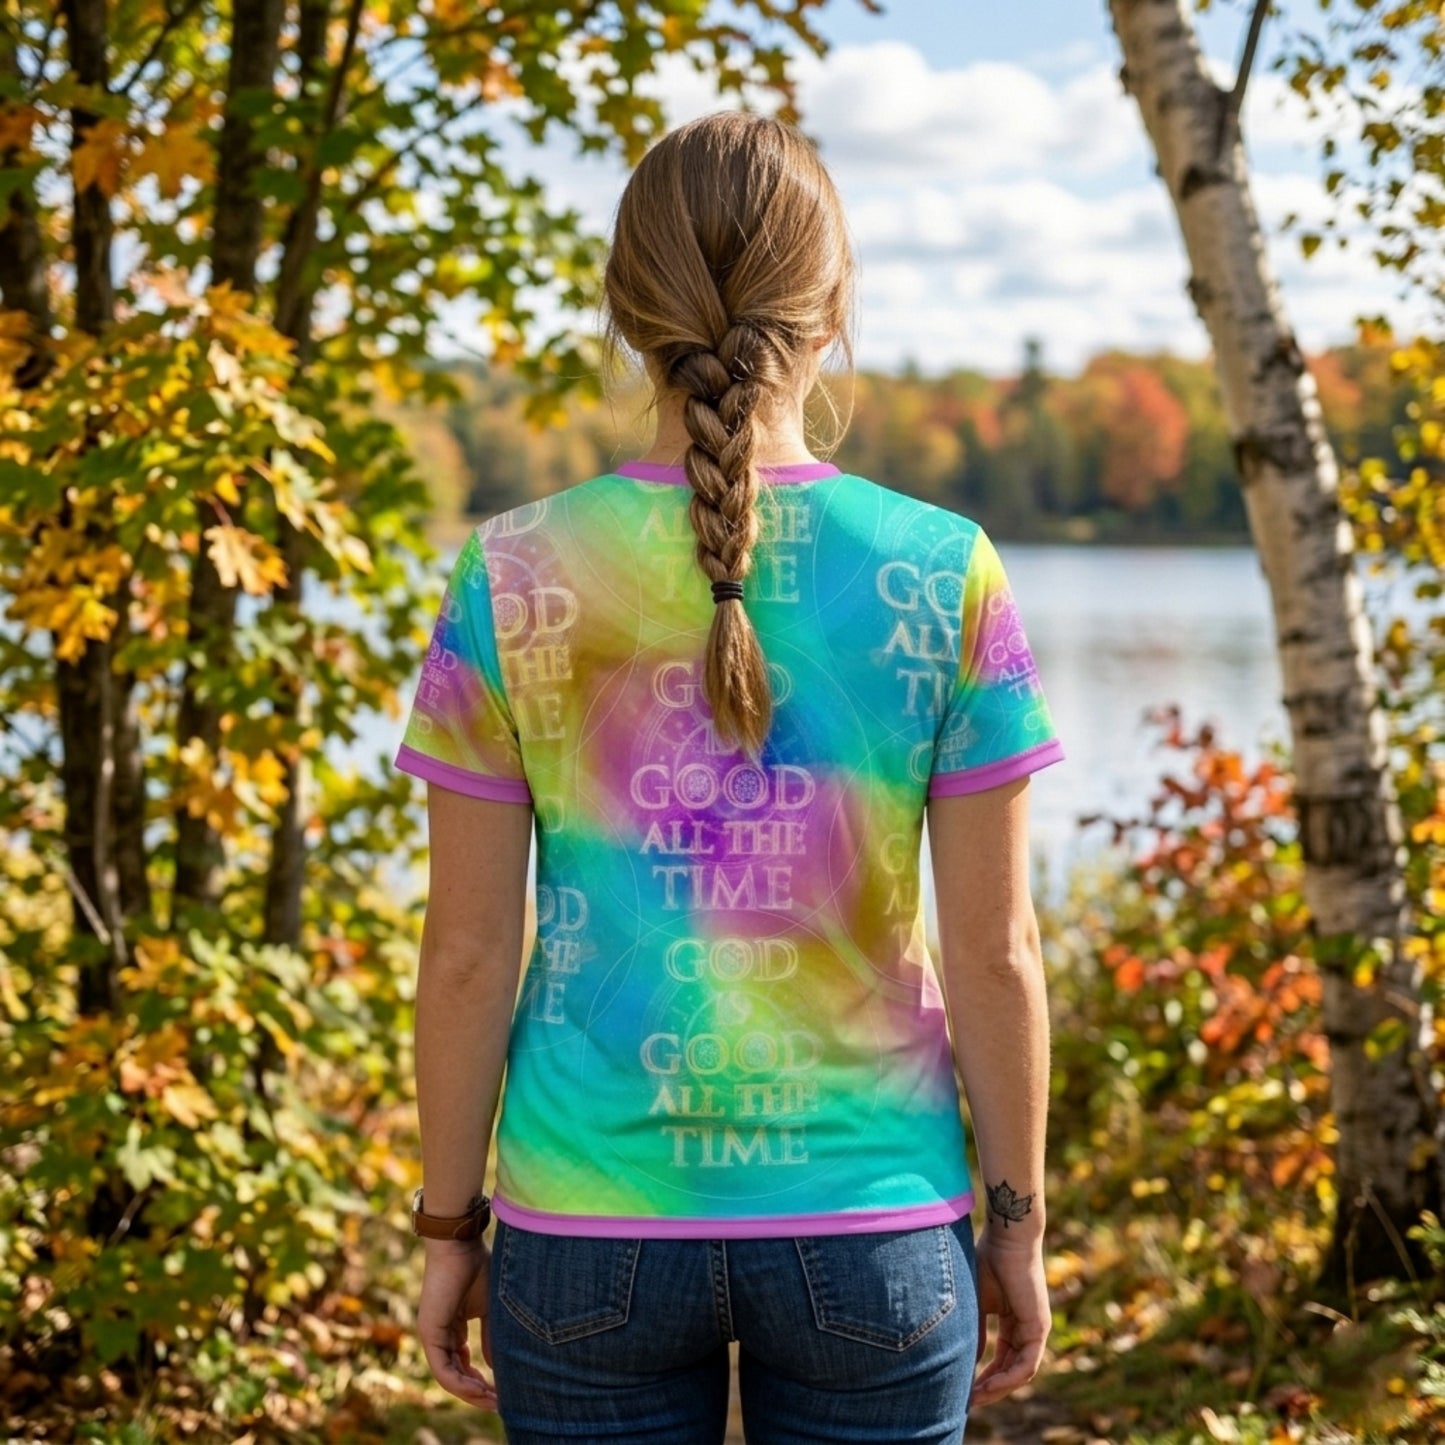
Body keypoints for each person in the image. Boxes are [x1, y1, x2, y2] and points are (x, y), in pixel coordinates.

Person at [395, 108, 1063, 1445]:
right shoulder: (942, 566)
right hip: (873, 1226)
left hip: (586, 1226)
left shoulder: (513, 571)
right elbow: (994, 951)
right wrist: (1015, 1224)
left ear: (623, 307)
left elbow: (467, 953)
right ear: (831, 308)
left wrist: (446, 1224)